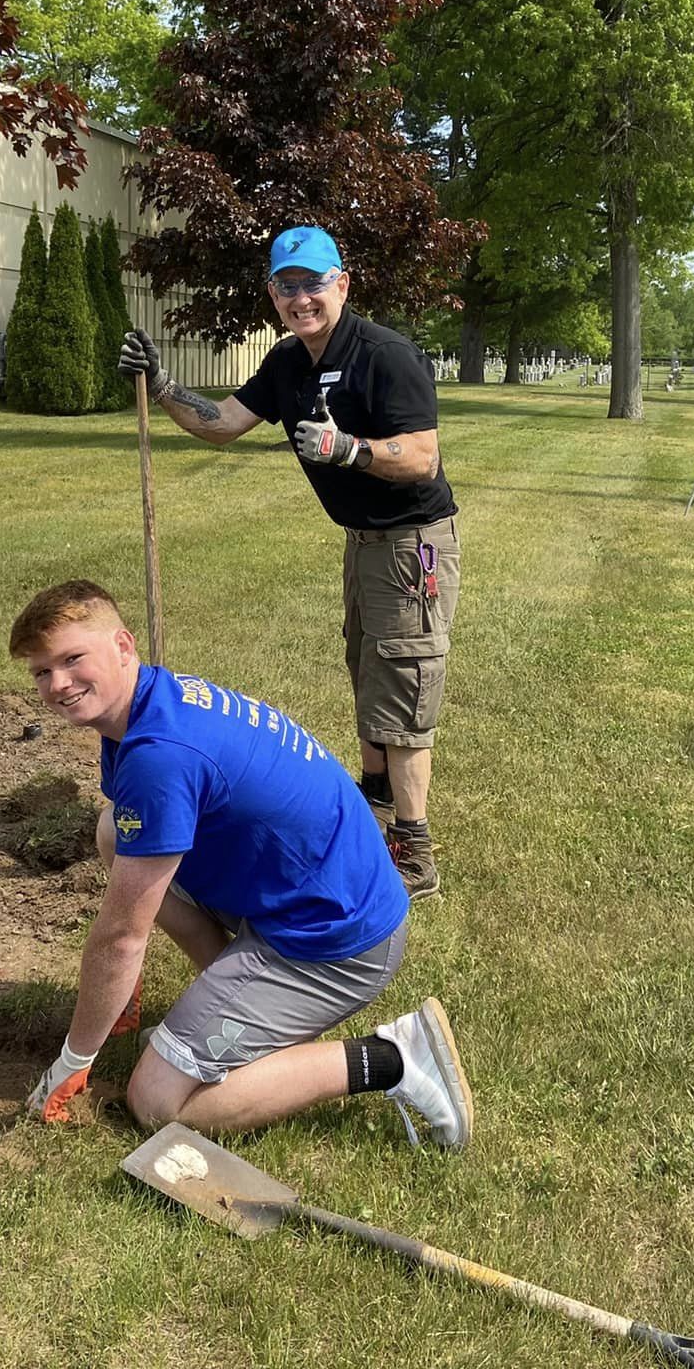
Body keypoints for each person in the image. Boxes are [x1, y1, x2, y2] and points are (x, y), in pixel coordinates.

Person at [11, 580, 473, 1148]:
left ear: (124, 645)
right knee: (115, 832)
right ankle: (233, 1006)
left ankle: (395, 1058)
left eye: (73, 659)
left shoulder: (161, 757)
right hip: (316, 893)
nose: (58, 683)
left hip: (335, 943)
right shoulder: (152, 703)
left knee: (156, 1101)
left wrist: (75, 1058)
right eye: (41, 671)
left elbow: (121, 940)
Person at [117, 227, 458, 901]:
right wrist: (162, 385)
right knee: (367, 666)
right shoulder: (287, 363)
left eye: (313, 282)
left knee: (404, 675)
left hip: (410, 541)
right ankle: (376, 808)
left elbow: (422, 458)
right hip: (362, 541)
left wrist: (350, 450)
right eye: (287, 286)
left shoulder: (384, 355)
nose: (302, 297)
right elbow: (220, 422)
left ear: (343, 284)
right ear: (273, 294)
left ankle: (414, 852)